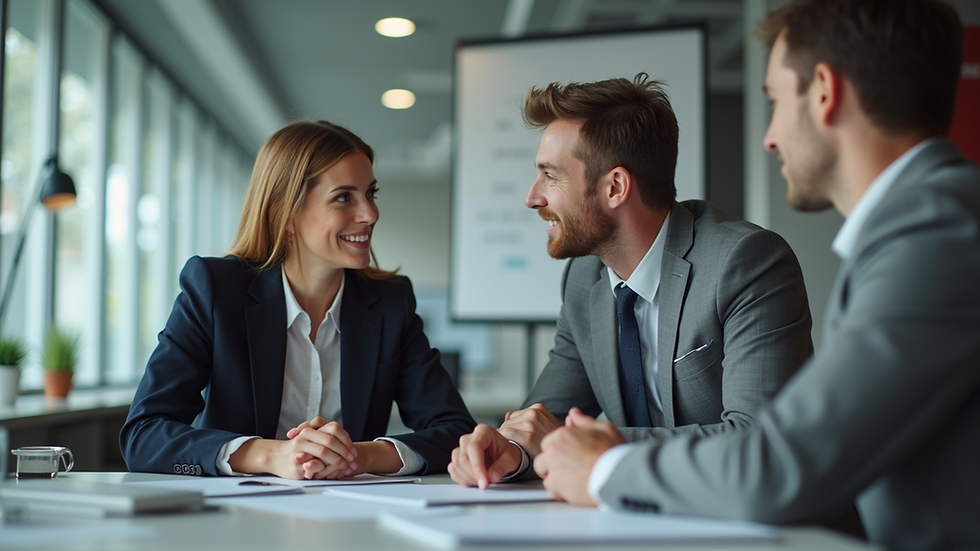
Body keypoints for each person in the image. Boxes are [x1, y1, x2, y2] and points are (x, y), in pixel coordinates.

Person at [532, 1, 980, 550]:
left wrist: (604, 468)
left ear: (823, 91)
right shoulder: (929, 222)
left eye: (774, 100)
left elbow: (783, 463)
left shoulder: (935, 233)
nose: (769, 137)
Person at [449, 75, 813, 492]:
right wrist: (507, 449)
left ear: (615, 187)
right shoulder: (584, 280)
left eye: (550, 176)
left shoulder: (746, 262)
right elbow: (543, 420)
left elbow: (758, 442)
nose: (533, 198)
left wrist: (595, 447)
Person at [120, 120, 476, 479]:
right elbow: (143, 436)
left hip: (351, 519)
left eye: (371, 193)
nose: (370, 214)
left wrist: (361, 456)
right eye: (344, 197)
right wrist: (270, 456)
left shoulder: (390, 303)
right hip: (231, 519)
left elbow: (456, 431)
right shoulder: (215, 290)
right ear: (286, 212)